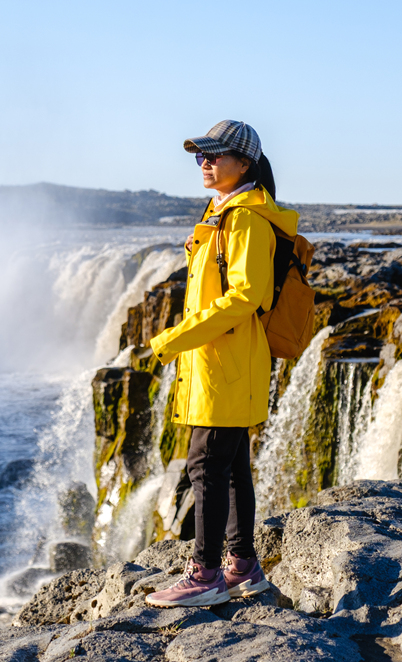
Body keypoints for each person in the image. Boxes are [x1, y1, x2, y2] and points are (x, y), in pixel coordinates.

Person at [145, 120, 298, 608]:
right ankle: (242, 565)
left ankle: (206, 574)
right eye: (200, 156)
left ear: (245, 164)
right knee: (231, 466)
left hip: (225, 363)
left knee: (205, 464)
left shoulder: (247, 219)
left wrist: (173, 338)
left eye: (215, 155)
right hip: (221, 361)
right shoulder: (223, 214)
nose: (205, 163)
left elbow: (245, 296)